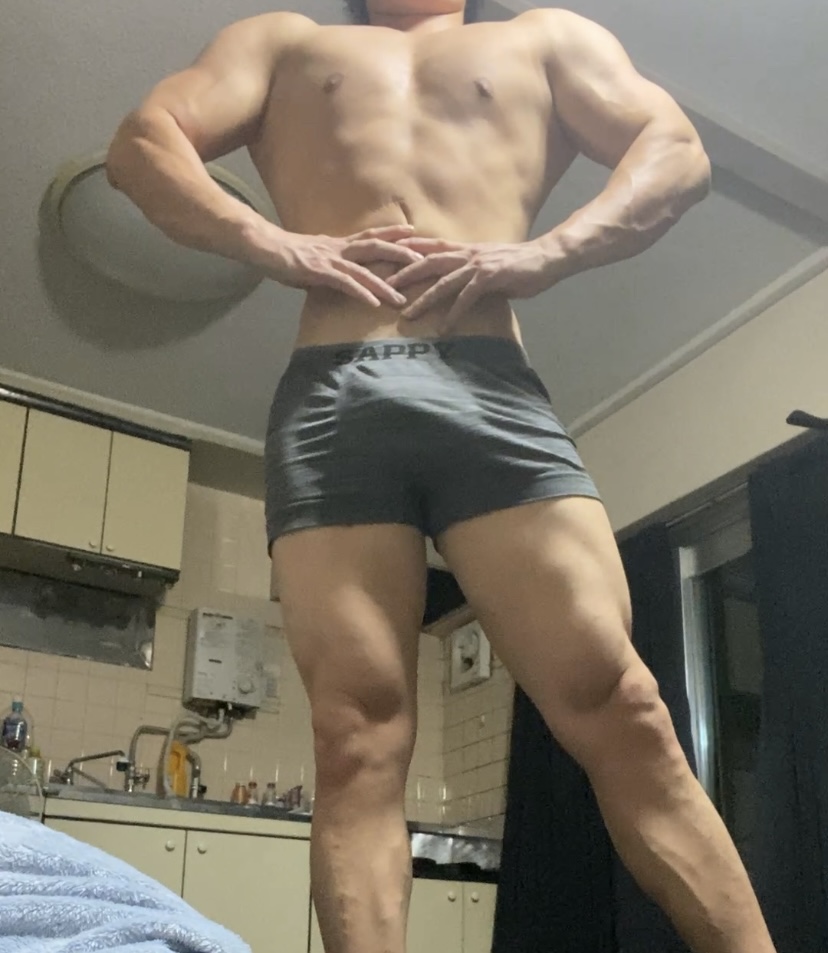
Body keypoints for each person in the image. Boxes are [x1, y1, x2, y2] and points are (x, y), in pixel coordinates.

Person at [106, 2, 777, 951]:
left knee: (622, 703)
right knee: (357, 740)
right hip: (333, 394)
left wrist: (548, 252)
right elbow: (142, 143)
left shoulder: (546, 38)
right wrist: (274, 243)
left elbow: (677, 150)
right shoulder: (286, 41)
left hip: (492, 390)